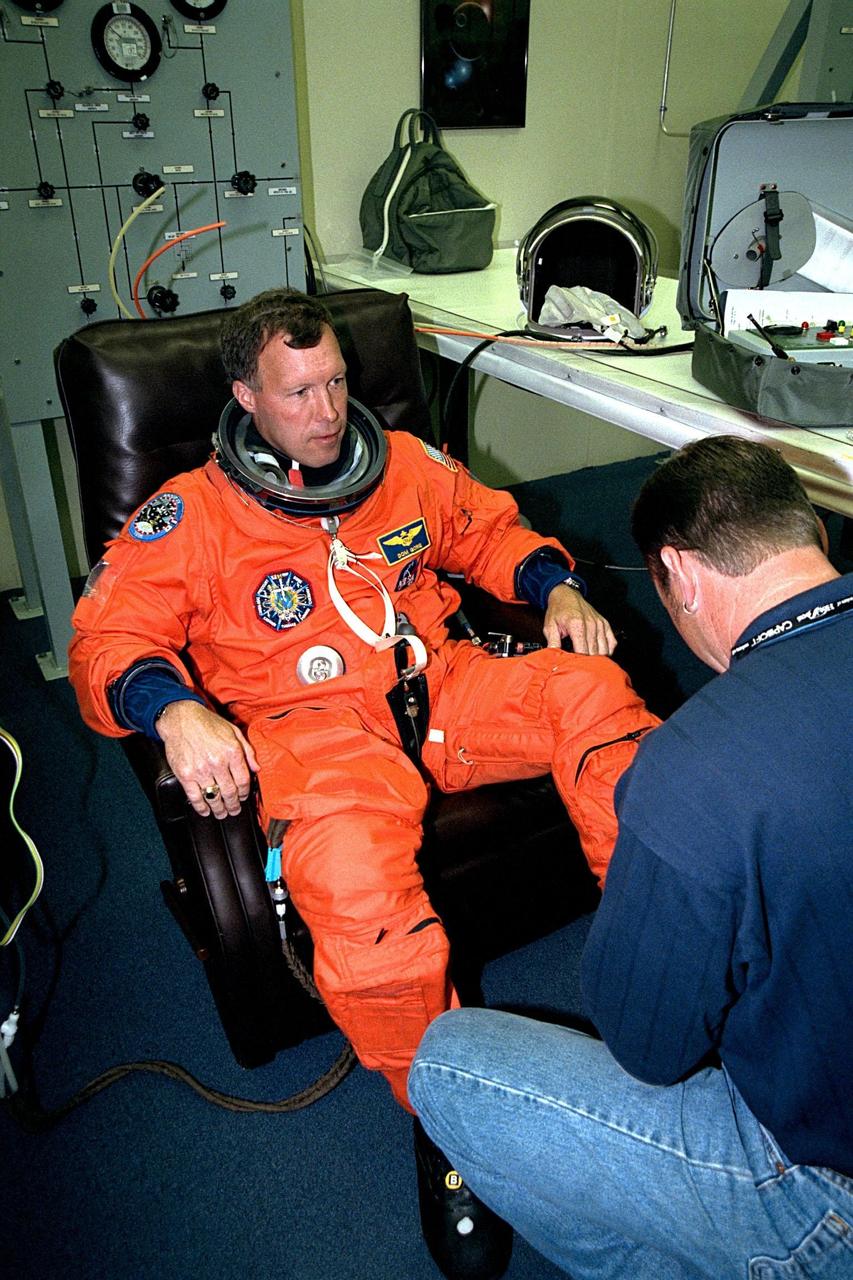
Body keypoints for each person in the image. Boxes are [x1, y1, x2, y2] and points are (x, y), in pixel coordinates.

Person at [69, 287, 658, 1280]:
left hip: (442, 686)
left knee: (593, 695)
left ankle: (663, 967)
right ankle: (450, 1118)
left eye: (338, 379)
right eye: (299, 391)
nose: (330, 407)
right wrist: (174, 708)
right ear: (245, 397)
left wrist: (552, 583)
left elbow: (490, 533)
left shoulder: (408, 469)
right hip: (316, 732)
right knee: (352, 884)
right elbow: (104, 642)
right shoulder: (193, 515)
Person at [409, 435, 853, 1280]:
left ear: (678, 577)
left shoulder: (691, 768)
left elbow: (652, 1048)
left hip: (828, 1200)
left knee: (450, 1062)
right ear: (814, 539)